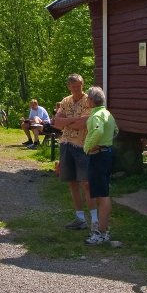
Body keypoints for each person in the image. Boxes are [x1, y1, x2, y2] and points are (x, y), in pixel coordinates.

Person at [53, 73, 93, 229]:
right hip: (66, 144)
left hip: (82, 146)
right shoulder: (66, 101)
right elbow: (57, 123)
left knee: (86, 183)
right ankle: (80, 218)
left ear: (83, 85)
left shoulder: (89, 101)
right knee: (72, 182)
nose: (77, 89)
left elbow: (82, 124)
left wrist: (66, 121)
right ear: (69, 86)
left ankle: (95, 220)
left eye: (79, 86)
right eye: (74, 86)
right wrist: (73, 120)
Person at [82, 86, 118, 246]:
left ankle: (101, 233)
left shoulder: (96, 115)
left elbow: (97, 131)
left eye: (87, 99)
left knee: (102, 195)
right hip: (107, 154)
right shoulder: (107, 113)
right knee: (101, 191)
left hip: (98, 156)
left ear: (91, 100)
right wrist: (107, 142)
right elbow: (116, 130)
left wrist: (88, 147)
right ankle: (102, 230)